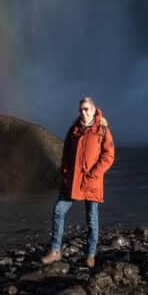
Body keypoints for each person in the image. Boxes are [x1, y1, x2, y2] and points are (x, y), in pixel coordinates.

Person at [41, 96, 115, 269]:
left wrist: (95, 173)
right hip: (73, 181)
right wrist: (65, 172)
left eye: (86, 109)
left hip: (91, 182)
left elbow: (108, 155)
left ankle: (90, 255)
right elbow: (66, 153)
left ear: (94, 110)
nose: (83, 112)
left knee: (92, 219)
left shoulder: (102, 129)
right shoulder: (73, 129)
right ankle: (55, 251)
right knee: (59, 210)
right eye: (81, 109)